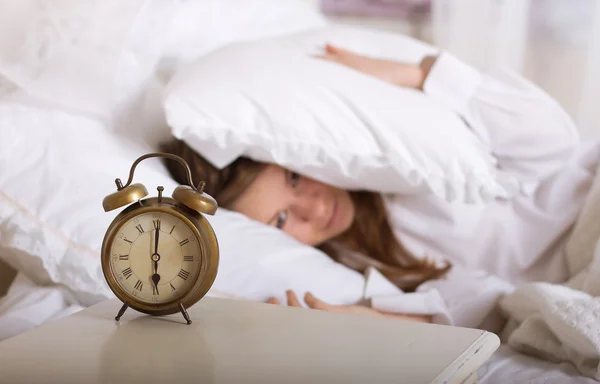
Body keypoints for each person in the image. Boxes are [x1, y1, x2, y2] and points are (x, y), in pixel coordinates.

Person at [162, 44, 599, 328]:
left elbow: (553, 142)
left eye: (293, 178)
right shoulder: (352, 259)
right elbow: (479, 297)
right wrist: (379, 320)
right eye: (281, 219)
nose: (313, 208)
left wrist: (419, 73)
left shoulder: (407, 156)